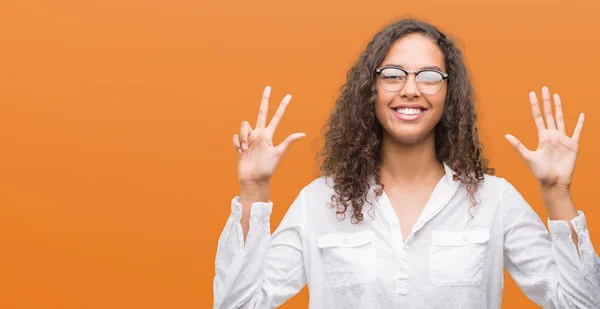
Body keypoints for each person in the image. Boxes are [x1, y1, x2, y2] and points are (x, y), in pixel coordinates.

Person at [212, 18, 600, 309]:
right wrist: (253, 189)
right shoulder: (320, 202)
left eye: (429, 76)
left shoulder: (494, 200)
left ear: (450, 93)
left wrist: (556, 193)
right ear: (371, 89)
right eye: (393, 75)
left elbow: (581, 304)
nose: (410, 89)